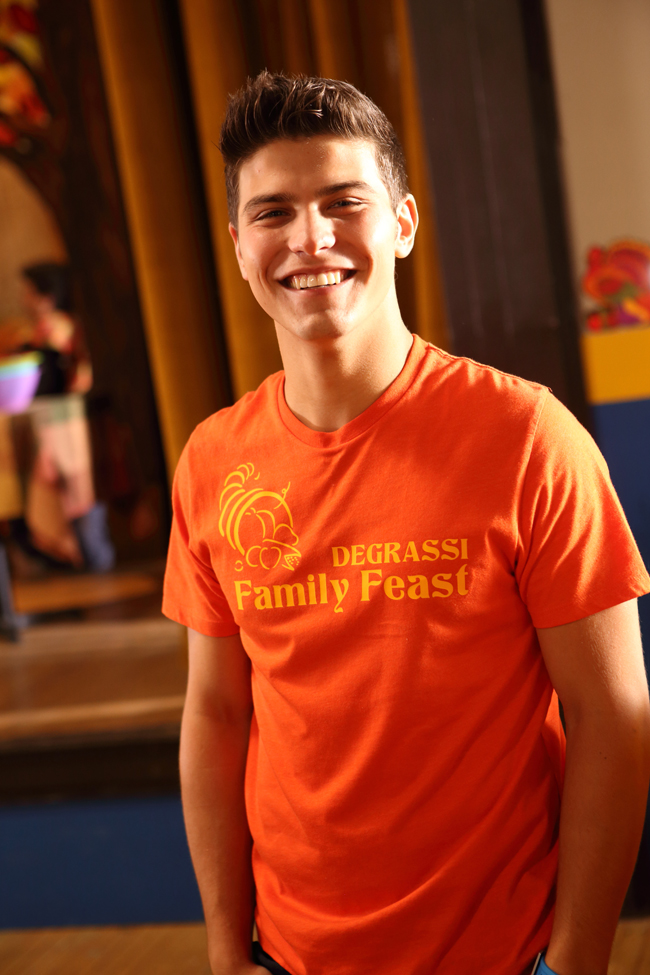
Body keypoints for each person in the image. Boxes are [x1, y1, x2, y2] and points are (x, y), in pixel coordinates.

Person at [162, 73, 650, 975]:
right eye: (273, 212)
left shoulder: (528, 437)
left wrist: (576, 960)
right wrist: (229, 952)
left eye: (343, 202)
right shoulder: (212, 459)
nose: (310, 237)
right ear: (238, 246)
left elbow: (613, 714)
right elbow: (218, 711)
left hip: (503, 954)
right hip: (290, 954)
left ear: (403, 223)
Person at [13, 262, 114, 572]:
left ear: (47, 295)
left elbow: (54, 376)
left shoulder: (57, 327)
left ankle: (98, 566)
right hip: (57, 422)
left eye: (30, 292)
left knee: (79, 494)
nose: (25, 299)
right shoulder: (47, 328)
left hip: (69, 420)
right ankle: (89, 564)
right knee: (71, 496)